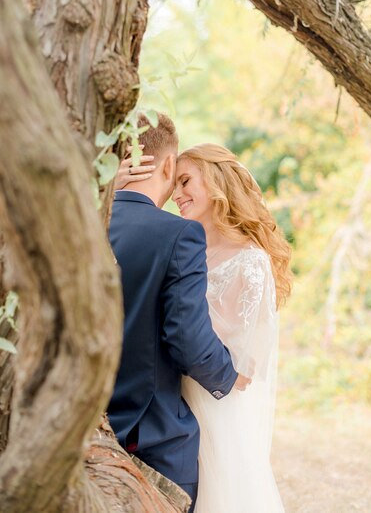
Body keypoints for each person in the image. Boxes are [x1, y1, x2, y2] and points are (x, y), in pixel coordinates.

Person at [118, 140, 292, 513]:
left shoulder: (250, 260)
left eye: (185, 182)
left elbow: (247, 361)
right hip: (169, 399)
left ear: (215, 183)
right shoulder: (180, 245)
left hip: (214, 402)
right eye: (175, 182)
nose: (176, 194)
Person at [107, 114, 248, 512]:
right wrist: (228, 375)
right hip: (151, 435)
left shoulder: (81, 222)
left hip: (77, 426)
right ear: (168, 165)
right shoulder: (178, 233)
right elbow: (186, 337)